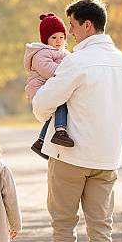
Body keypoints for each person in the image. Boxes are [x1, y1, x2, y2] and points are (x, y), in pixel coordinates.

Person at [32, 0, 122, 242]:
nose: (70, 34)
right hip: (107, 159)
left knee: (64, 226)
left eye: (73, 26)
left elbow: (42, 104)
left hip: (70, 156)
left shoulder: (77, 62)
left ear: (87, 25)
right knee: (101, 229)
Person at [24, 13, 74, 160]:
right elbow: (49, 70)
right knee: (60, 101)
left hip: (49, 86)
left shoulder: (64, 53)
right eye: (54, 38)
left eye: (61, 37)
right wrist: (68, 70)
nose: (58, 41)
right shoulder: (41, 53)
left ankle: (41, 141)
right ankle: (60, 131)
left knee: (55, 109)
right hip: (39, 88)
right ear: (46, 39)